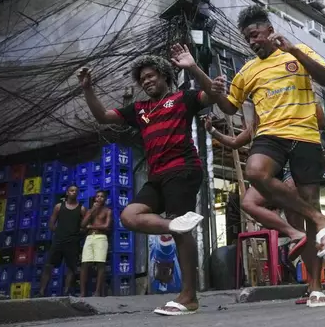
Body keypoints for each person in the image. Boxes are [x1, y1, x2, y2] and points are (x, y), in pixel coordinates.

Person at [210, 4, 325, 307]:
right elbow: (229, 107)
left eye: (255, 35)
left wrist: (295, 51)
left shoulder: (297, 52)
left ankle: (315, 287)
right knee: (255, 171)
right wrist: (211, 85)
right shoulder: (247, 70)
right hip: (270, 137)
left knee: (305, 212)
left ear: (269, 30)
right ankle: (319, 218)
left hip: (306, 137)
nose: (252, 42)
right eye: (247, 39)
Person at [78, 46, 219, 316]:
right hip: (157, 175)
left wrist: (192, 67)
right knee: (130, 216)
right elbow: (103, 117)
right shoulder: (139, 109)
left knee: (182, 232)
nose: (147, 81)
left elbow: (212, 94)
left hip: (183, 168)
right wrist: (87, 89)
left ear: (165, 76)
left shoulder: (183, 98)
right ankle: (174, 224)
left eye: (152, 75)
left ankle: (189, 295)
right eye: (142, 78)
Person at [203, 103, 325, 259]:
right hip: (270, 175)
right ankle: (294, 233)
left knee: (296, 210)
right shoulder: (258, 126)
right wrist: (212, 130)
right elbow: (234, 142)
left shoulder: (289, 110)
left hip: (290, 167)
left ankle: (315, 263)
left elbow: (322, 123)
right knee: (248, 203)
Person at [39, 185, 86, 297]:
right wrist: (59, 232)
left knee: (71, 268)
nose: (73, 192)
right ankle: (41, 291)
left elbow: (85, 226)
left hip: (72, 242)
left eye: (76, 191)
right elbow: (51, 223)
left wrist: (76, 235)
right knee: (48, 265)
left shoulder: (82, 209)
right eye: (71, 190)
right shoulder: (59, 207)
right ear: (67, 193)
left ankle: (66, 292)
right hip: (58, 241)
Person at [80, 190, 112, 297]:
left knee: (100, 264)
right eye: (97, 196)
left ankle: (97, 292)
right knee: (84, 264)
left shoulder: (107, 211)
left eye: (102, 196)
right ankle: (83, 293)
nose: (99, 198)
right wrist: (92, 211)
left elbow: (106, 226)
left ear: (105, 199)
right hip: (89, 238)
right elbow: (83, 225)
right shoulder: (90, 211)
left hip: (101, 238)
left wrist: (92, 227)